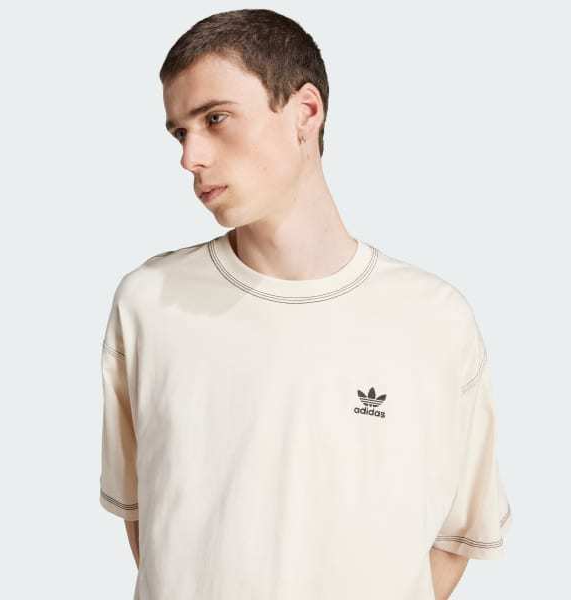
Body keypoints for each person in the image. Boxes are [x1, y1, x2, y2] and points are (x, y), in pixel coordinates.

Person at [98, 9, 513, 600]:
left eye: (215, 118)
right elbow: (149, 525)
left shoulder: (434, 320)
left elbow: (454, 539)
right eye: (179, 133)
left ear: (305, 112)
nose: (190, 157)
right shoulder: (149, 303)